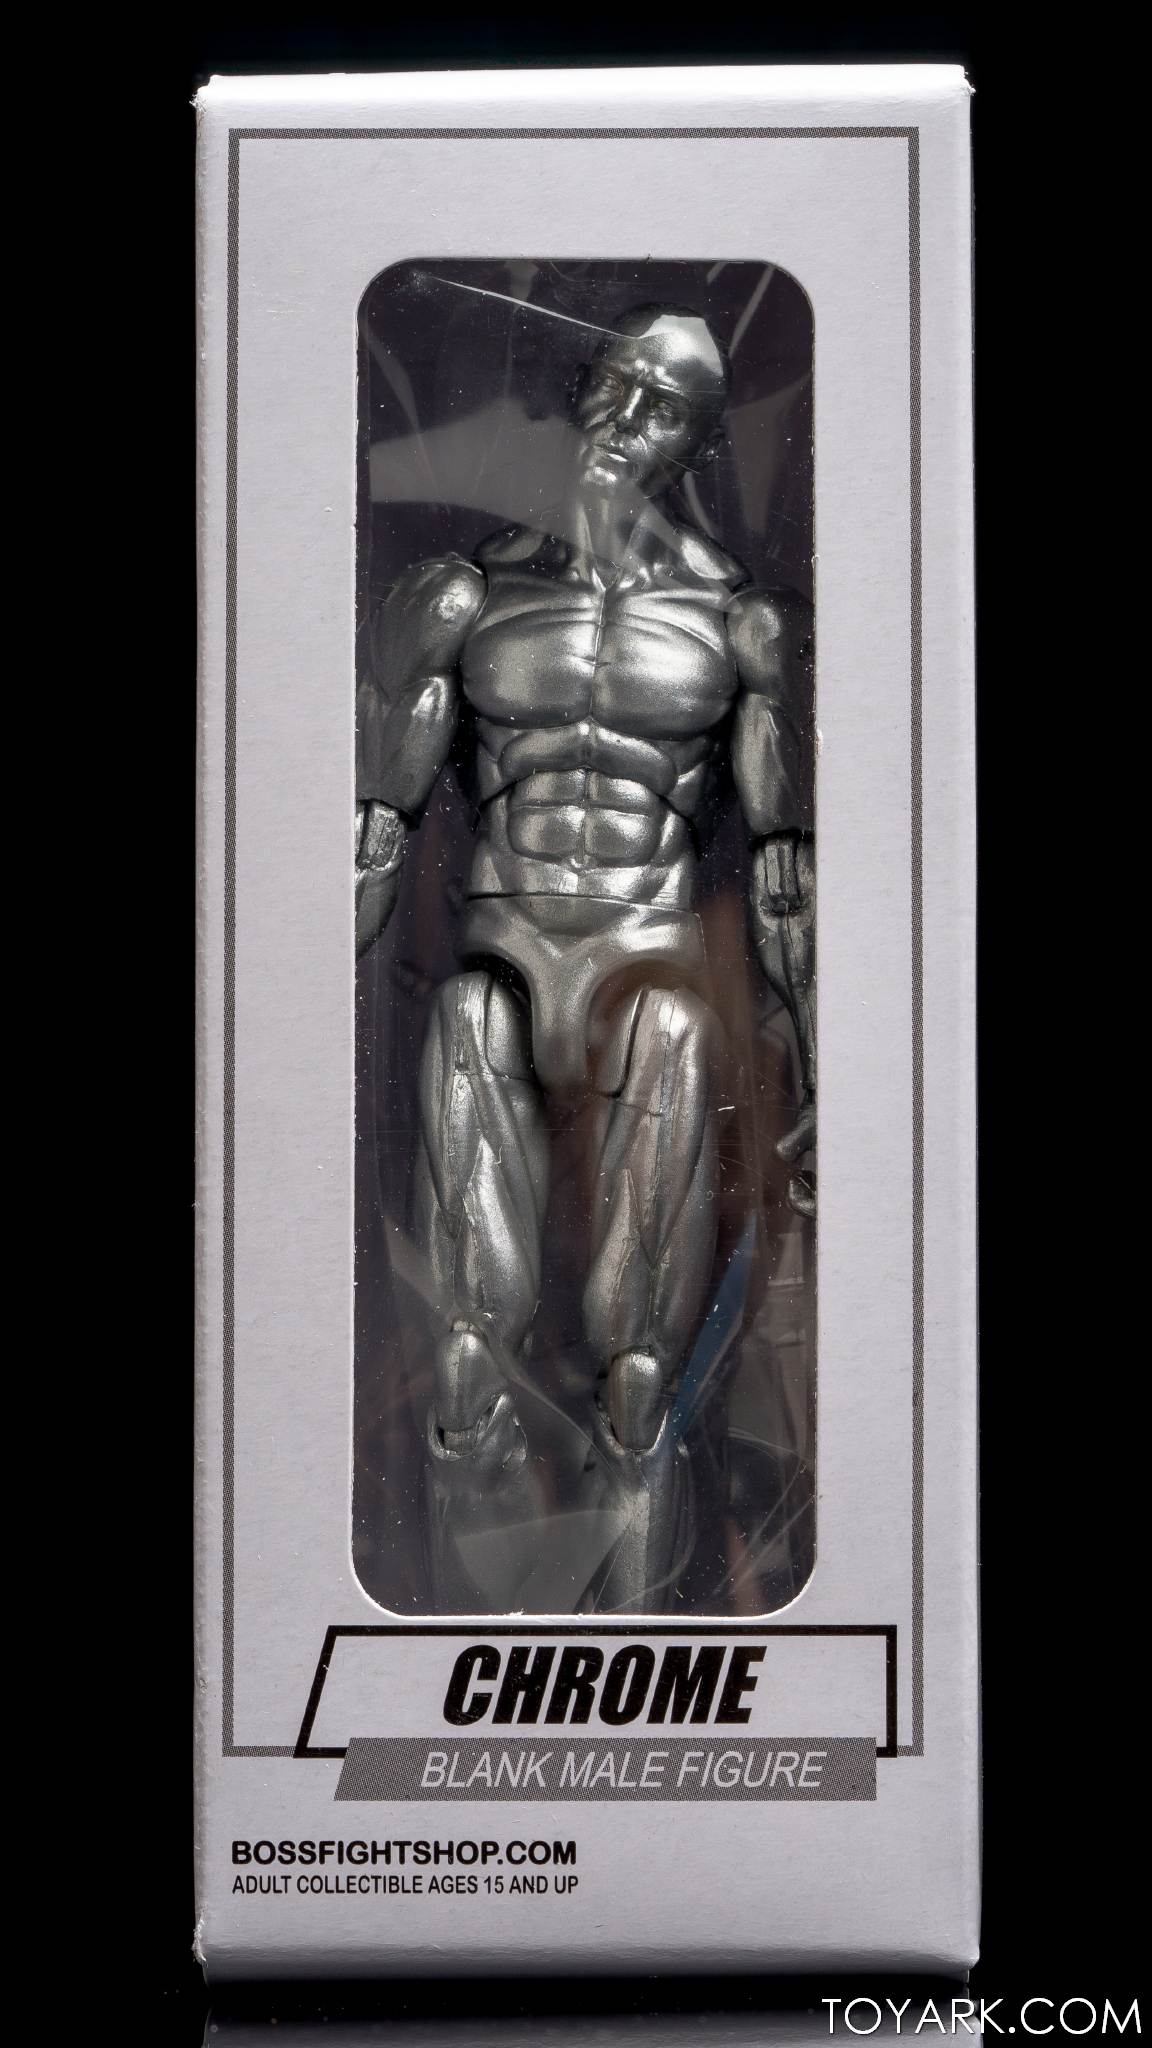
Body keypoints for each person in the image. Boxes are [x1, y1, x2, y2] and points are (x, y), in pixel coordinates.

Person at [356, 304, 814, 1612]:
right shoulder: (466, 596)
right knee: (462, 1358)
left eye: (662, 404)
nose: (627, 419)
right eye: (616, 385)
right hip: (498, 954)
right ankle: (465, 1629)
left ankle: (633, 1645)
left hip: (652, 970)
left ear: (698, 436)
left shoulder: (738, 625)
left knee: (638, 1383)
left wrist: (817, 1062)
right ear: (583, 387)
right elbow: (373, 826)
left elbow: (781, 871)